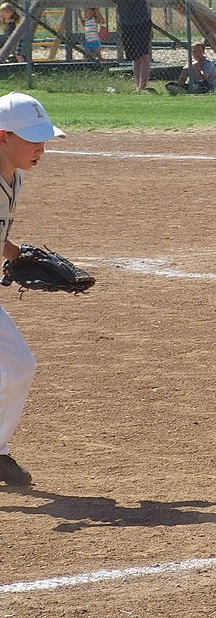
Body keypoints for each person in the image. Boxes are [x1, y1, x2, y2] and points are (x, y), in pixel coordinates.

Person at [0, 93, 66, 486]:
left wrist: (20, 254)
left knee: (19, 366)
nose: (40, 148)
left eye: (43, 140)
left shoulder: (14, 176)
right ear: (3, 136)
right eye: (32, 140)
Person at [104, 0, 153, 92]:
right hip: (125, 21)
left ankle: (143, 86)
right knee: (134, 56)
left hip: (141, 20)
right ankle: (136, 86)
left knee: (143, 55)